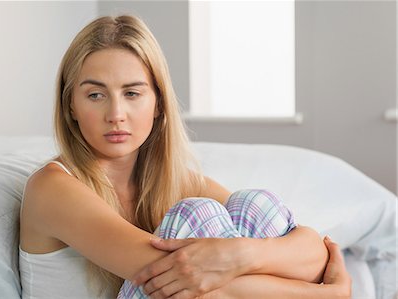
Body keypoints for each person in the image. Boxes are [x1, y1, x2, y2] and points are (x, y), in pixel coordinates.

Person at [19, 15, 351, 299]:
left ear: (159, 103)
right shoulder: (52, 188)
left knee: (255, 206)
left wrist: (240, 254)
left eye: (132, 93)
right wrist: (322, 294)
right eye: (95, 95)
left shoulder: (173, 181)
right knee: (197, 215)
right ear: (70, 106)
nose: (116, 114)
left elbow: (314, 252)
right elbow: (180, 279)